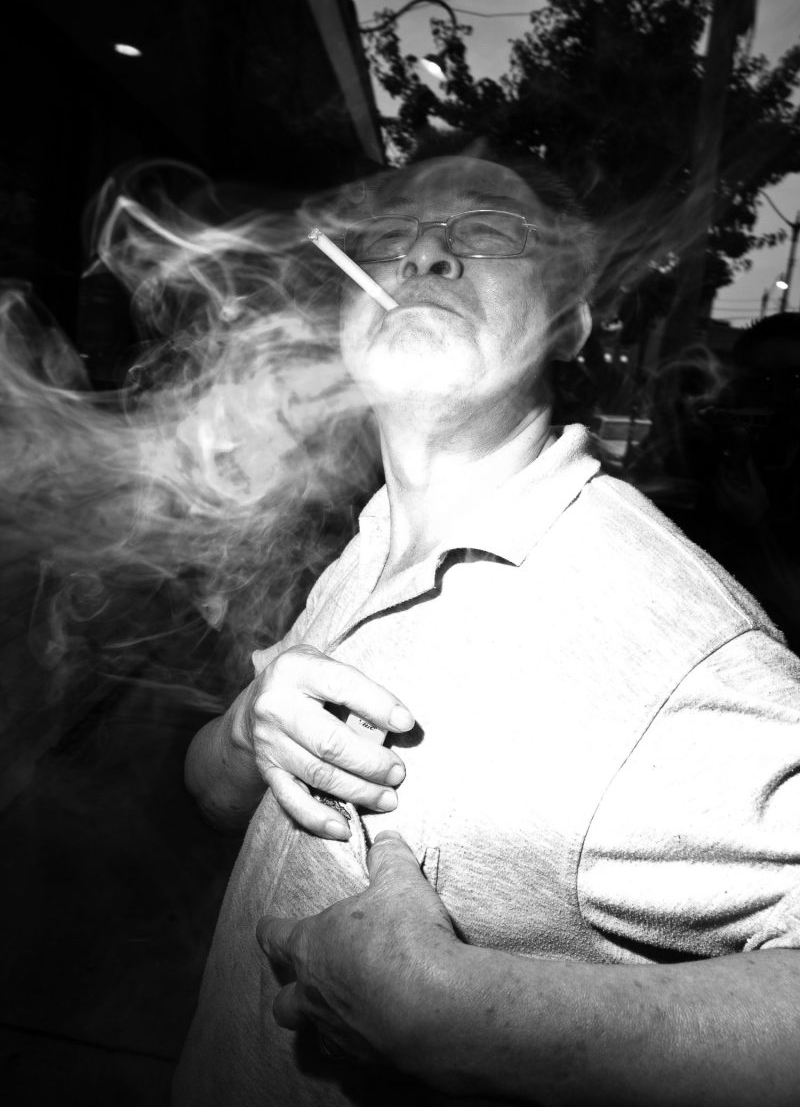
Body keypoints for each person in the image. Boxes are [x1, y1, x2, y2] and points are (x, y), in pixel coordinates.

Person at [174, 151, 800, 1106]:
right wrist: (244, 726)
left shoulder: (667, 641)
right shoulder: (371, 538)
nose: (425, 253)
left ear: (569, 321)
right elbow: (214, 797)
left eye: (487, 232)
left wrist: (475, 1022)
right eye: (392, 236)